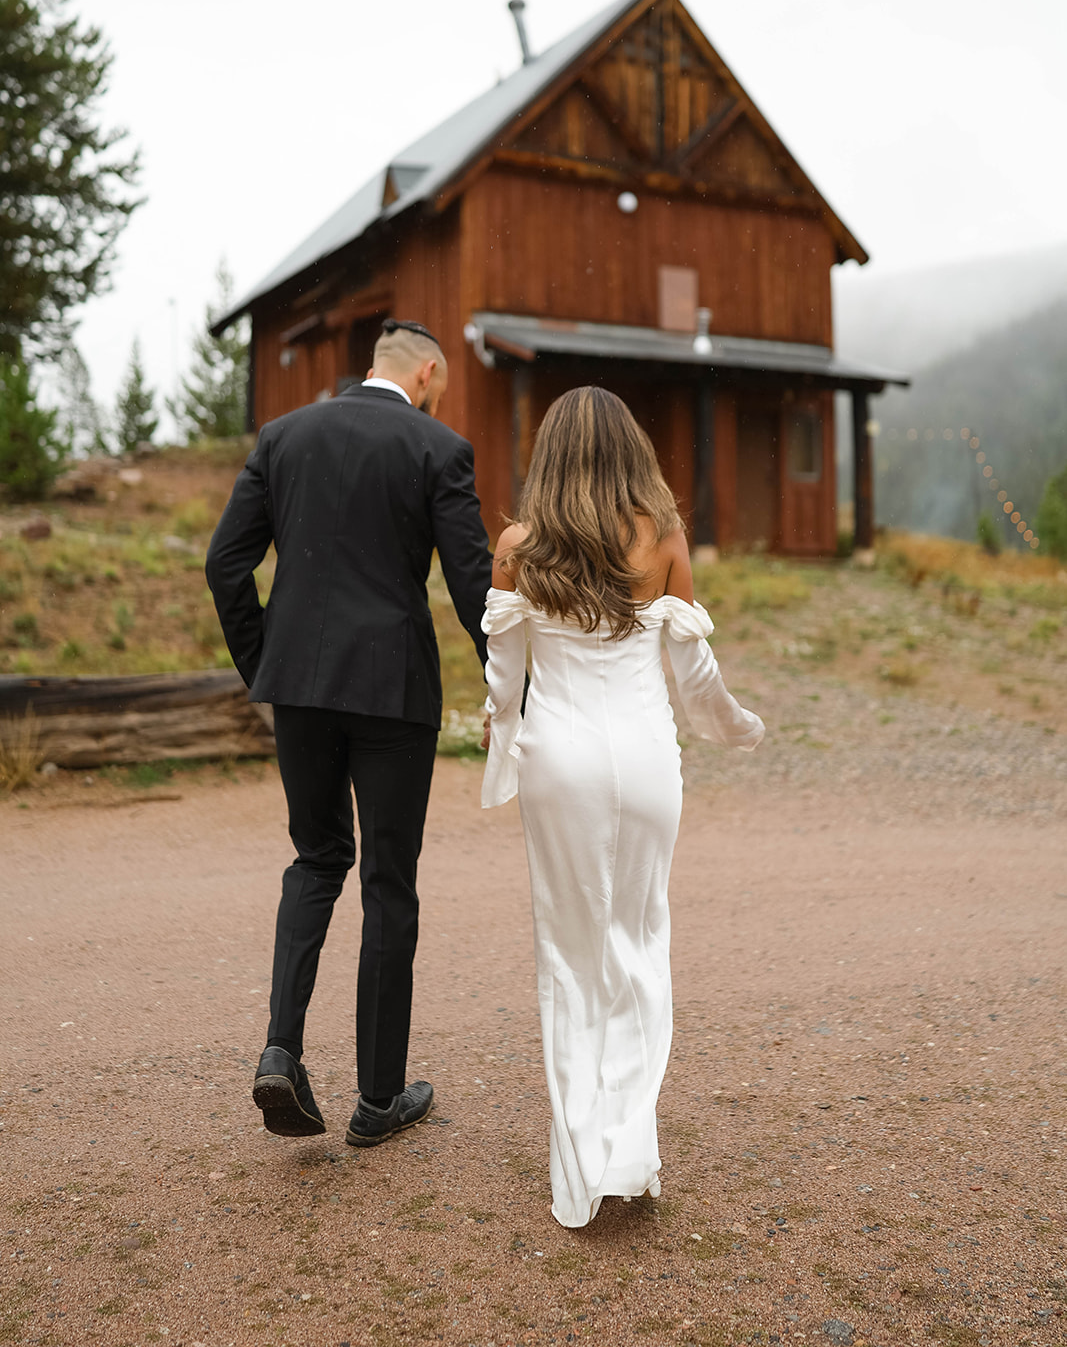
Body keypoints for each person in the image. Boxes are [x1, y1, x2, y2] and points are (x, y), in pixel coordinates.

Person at [481, 386, 764, 1228]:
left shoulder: (519, 547)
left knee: (569, 955)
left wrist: (500, 759)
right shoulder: (664, 539)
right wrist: (736, 727)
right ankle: (628, 1148)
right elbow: (693, 676)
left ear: (551, 454)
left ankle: (580, 1164)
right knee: (638, 943)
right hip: (645, 763)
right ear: (631, 451)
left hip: (557, 762)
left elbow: (502, 683)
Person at [206, 319, 492, 1147]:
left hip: (299, 684)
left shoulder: (285, 435)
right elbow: (473, 590)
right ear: (428, 372)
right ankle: (377, 1102)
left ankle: (280, 1051)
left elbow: (226, 565)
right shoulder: (440, 448)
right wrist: (509, 687)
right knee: (388, 881)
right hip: (392, 691)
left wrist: (271, 668)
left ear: (372, 365)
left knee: (316, 857)